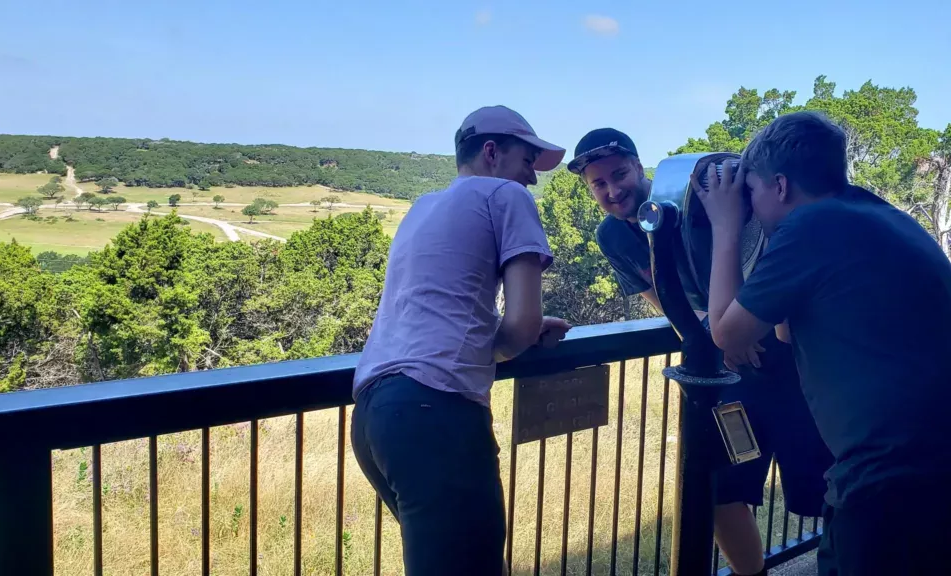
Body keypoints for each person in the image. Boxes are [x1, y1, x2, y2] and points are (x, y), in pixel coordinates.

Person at [695, 110, 951, 576]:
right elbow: (785, 331)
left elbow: (726, 333)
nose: (748, 205)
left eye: (750, 192)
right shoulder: (882, 216)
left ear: (781, 186)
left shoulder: (811, 226)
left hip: (889, 479)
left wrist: (725, 225)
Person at [567, 128, 833, 576]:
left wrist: (748, 326)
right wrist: (720, 337)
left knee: (822, 484)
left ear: (638, 166)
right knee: (720, 489)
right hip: (726, 363)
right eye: (599, 184)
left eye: (619, 174)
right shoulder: (613, 236)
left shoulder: (701, 197)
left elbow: (768, 252)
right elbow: (666, 300)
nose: (613, 190)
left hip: (787, 354)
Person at [351, 105, 572, 576]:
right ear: (491, 152)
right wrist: (524, 334)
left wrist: (513, 332)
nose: (532, 178)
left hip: (375, 417)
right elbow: (519, 326)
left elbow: (441, 312)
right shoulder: (506, 197)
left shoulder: (423, 207)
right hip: (436, 415)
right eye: (527, 161)